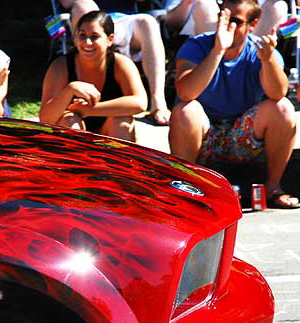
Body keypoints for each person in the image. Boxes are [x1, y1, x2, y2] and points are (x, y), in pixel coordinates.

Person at [169, 0, 298, 209]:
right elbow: (185, 92)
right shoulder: (197, 45)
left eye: (235, 21)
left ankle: (274, 187)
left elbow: (278, 93)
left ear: (253, 24)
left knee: (283, 108)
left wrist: (267, 61)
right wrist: (218, 50)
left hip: (244, 138)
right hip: (204, 137)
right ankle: (186, 189)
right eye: (223, 17)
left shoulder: (263, 50)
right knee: (185, 110)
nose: (226, 25)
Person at [40, 10, 147, 140]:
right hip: (75, 130)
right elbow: (45, 118)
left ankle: (115, 160)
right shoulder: (61, 66)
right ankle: (75, 159)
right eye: (82, 35)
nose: (87, 42)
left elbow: (140, 103)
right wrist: (70, 89)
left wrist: (90, 110)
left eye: (94, 36)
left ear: (110, 39)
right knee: (69, 120)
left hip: (108, 132)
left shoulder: (120, 63)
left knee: (122, 121)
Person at [61, 0, 171, 126]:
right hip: (90, 17)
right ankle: (87, 100)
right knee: (84, 5)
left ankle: (158, 102)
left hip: (121, 19)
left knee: (148, 22)